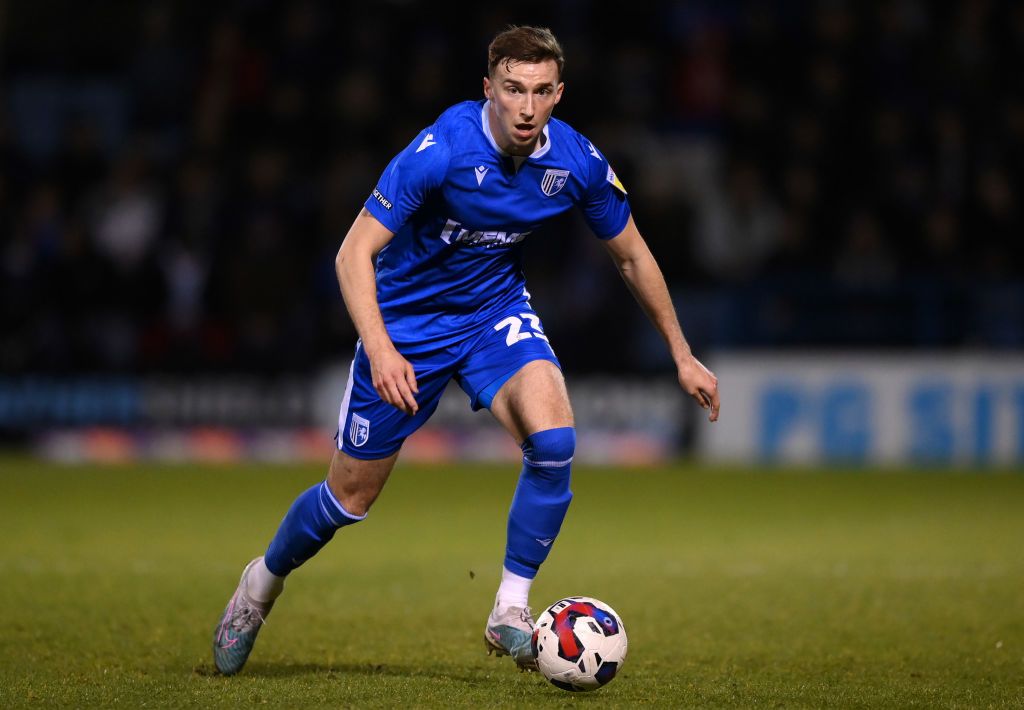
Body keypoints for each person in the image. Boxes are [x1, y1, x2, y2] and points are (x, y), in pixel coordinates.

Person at [212, 25, 720, 676]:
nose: (527, 107)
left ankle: (510, 607)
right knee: (348, 500)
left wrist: (681, 352)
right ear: (489, 89)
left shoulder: (577, 162)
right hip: (405, 330)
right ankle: (261, 584)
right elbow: (352, 253)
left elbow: (630, 253)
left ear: (559, 94)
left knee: (556, 439)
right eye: (513, 89)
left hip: (492, 315)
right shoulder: (441, 150)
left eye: (541, 92)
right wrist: (382, 348)